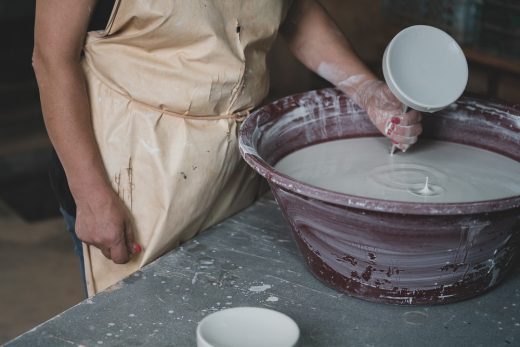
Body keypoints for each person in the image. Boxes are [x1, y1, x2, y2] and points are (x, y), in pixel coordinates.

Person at [33, 0, 422, 296]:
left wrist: (367, 90)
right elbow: (52, 58)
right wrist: (91, 196)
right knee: (146, 316)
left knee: (222, 302)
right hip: (128, 165)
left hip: (230, 158)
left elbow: (297, 13)